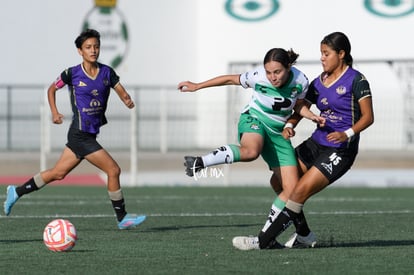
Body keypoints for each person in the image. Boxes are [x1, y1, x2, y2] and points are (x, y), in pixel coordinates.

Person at [232, 31, 374, 250]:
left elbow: (368, 117)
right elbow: (301, 108)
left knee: (297, 192)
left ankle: (262, 240)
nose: (322, 58)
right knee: (279, 182)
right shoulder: (318, 82)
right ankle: (304, 235)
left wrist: (346, 134)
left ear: (341, 54)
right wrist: (290, 125)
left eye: (326, 53)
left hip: (340, 150)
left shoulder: (357, 80)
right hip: (316, 143)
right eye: (321, 53)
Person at [3, 29, 146, 230]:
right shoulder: (71, 73)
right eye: (88, 47)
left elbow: (120, 90)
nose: (93, 50)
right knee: (113, 170)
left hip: (89, 133)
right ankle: (122, 217)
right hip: (80, 134)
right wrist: (54, 112)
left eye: (96, 46)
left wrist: (127, 100)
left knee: (57, 173)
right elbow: (52, 89)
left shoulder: (107, 72)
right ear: (80, 51)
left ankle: (16, 192)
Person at [178, 48, 325, 236]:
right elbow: (230, 79)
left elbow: (298, 106)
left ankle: (266, 235)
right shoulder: (257, 76)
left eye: (277, 72)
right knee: (251, 151)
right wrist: (197, 86)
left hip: (278, 134)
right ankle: (199, 163)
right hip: (254, 119)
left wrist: (308, 117)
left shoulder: (301, 81)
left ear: (288, 67)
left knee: (292, 191)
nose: (272, 77)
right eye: (269, 72)